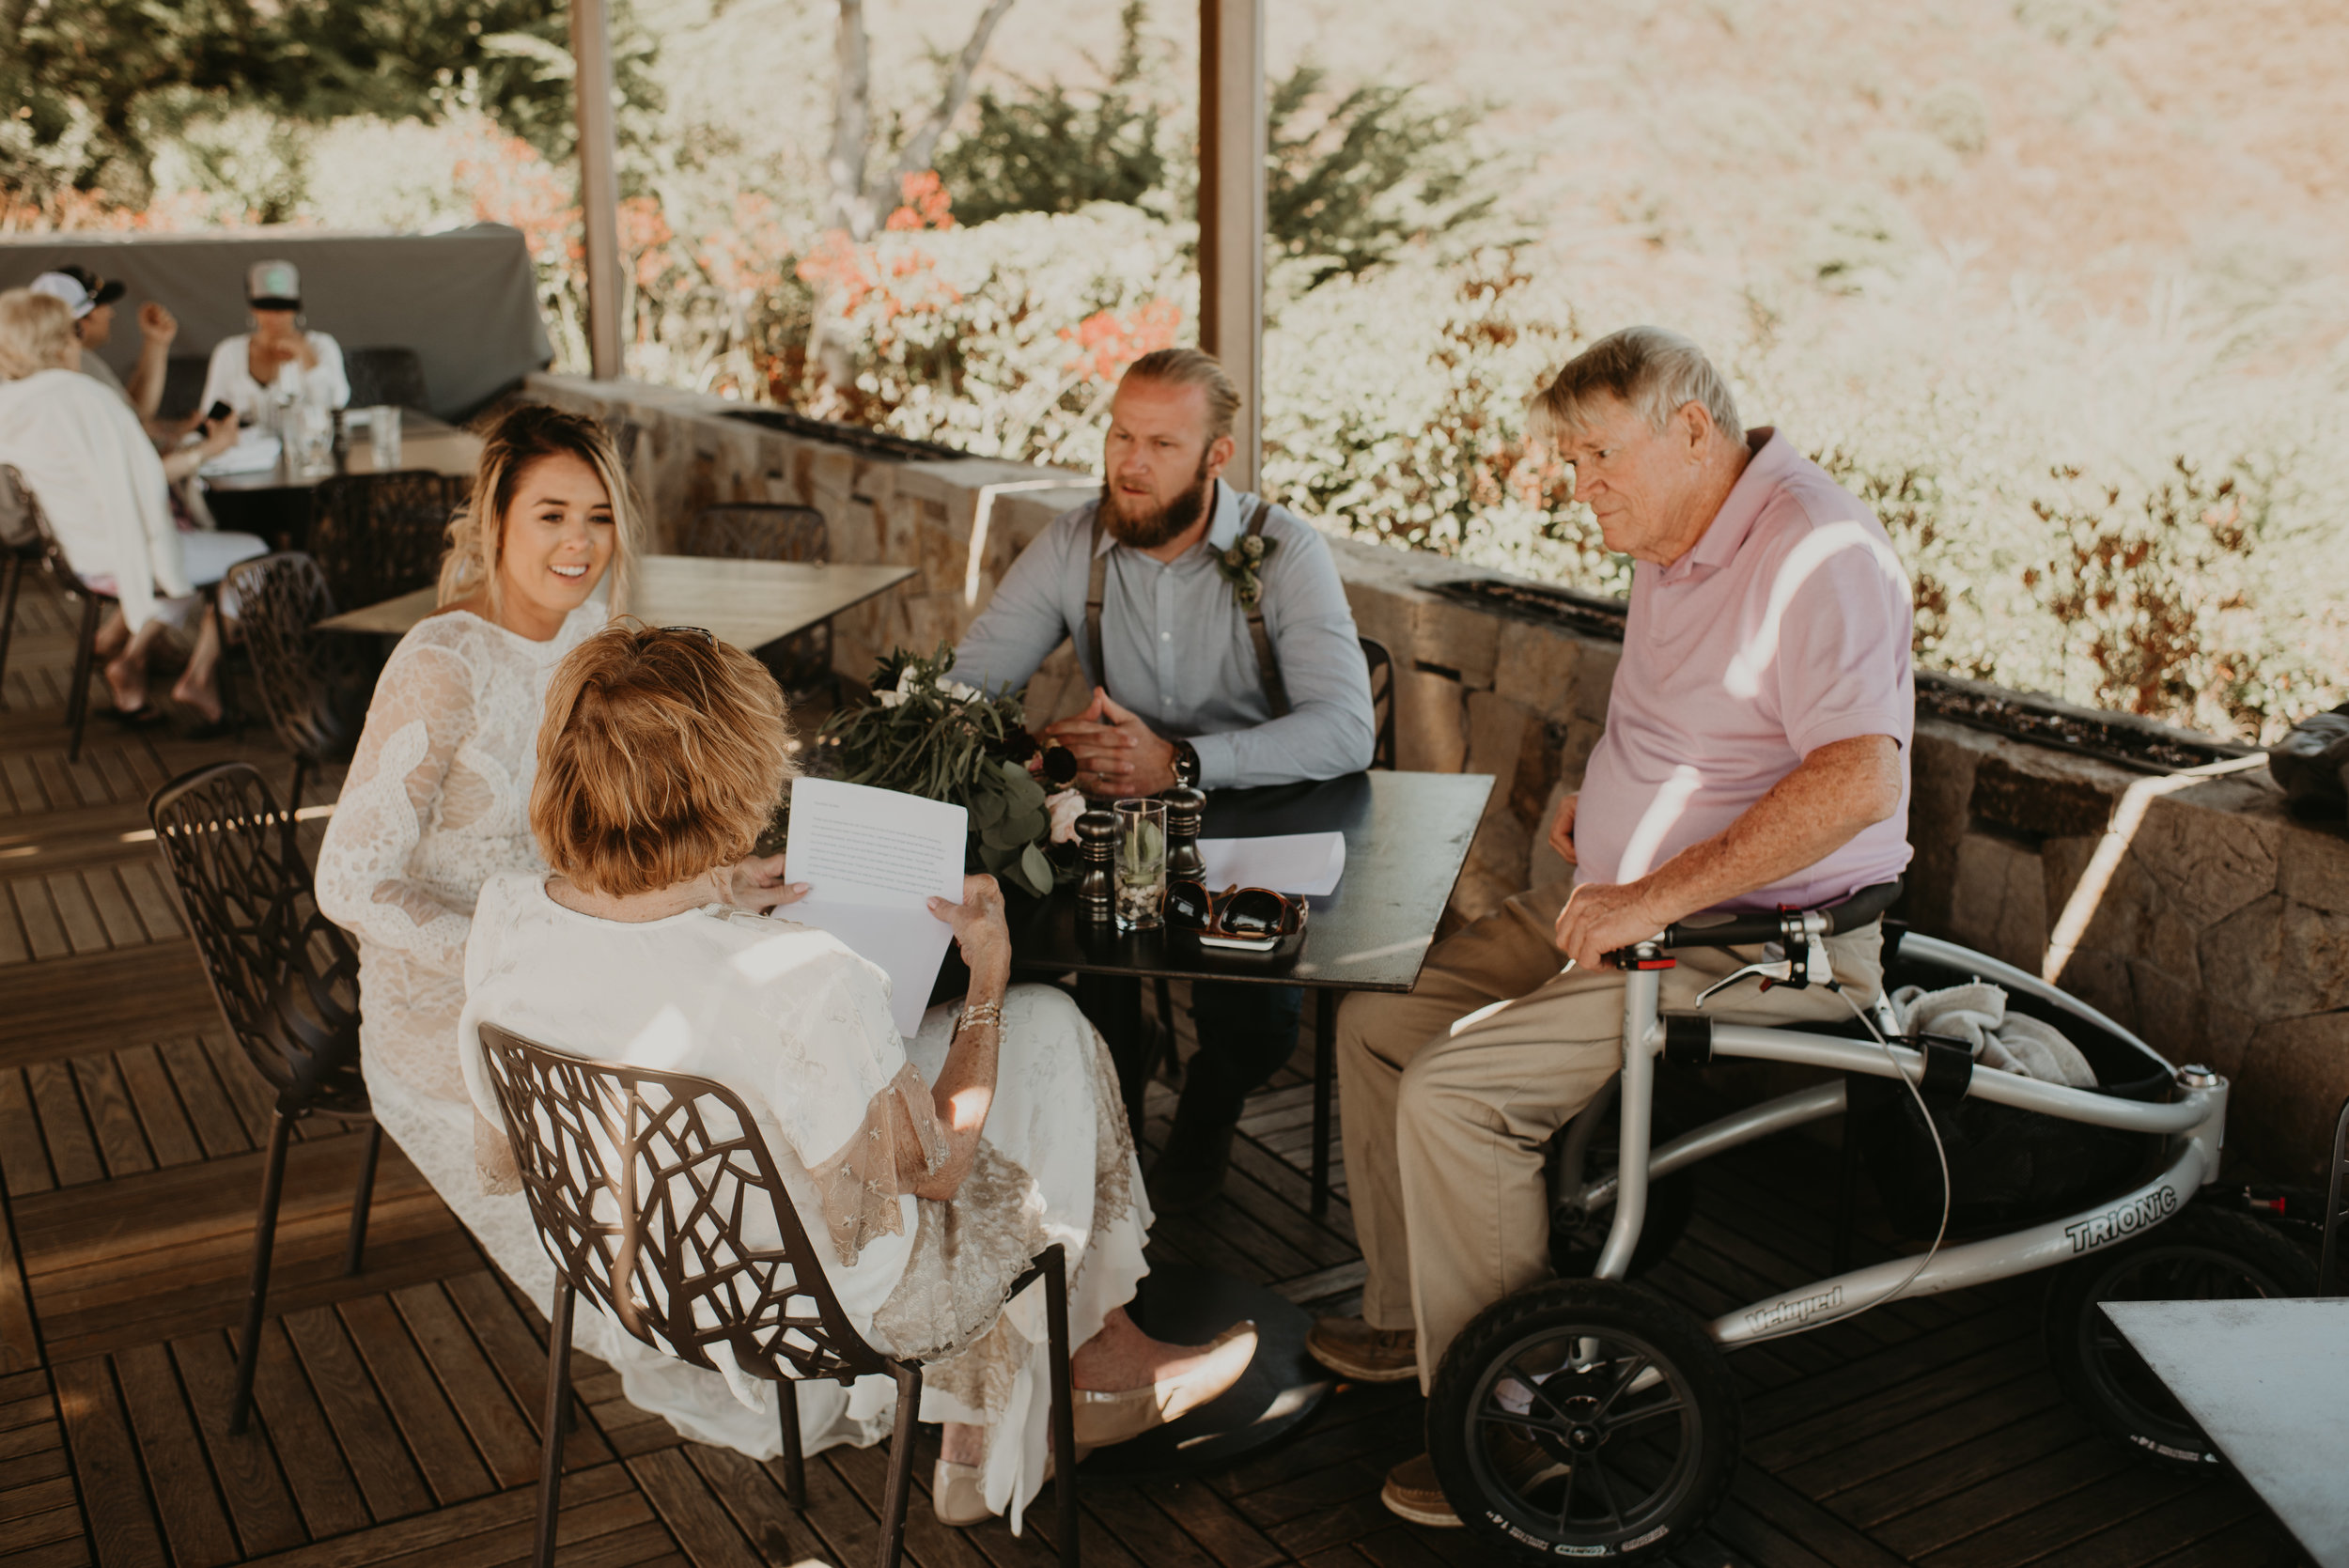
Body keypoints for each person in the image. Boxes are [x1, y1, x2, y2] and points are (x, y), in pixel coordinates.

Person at [1310, 327, 1915, 1528]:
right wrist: (1608, 794)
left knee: (1455, 1096)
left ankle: (1508, 1423)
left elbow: (1858, 778)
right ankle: (1411, 1318)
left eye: (1597, 456)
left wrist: (1656, 890)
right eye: (1572, 459)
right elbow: (1687, 728)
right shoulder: (1677, 535)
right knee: (1379, 1018)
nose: (1577, 485)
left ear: (1693, 430)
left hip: (1750, 940)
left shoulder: (1816, 547)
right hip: (1620, 911)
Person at [459, 625, 1258, 1529]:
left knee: (1000, 1054)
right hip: (814, 1300)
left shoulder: (508, 913)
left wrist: (712, 889)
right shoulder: (801, 980)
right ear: (730, 778)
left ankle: (1007, 1414)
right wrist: (990, 976)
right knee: (1044, 1029)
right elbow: (939, 1170)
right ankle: (1062, 1383)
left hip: (643, 1265)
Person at [952, 348, 1377, 1213]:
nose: (1129, 463)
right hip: (1124, 817)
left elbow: (1345, 726)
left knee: (1253, 1016)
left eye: (1159, 444)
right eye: (1118, 435)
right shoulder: (1076, 542)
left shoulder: (1284, 550)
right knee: (1062, 942)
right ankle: (1110, 1111)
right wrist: (1039, 744)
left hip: (1261, 813)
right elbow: (965, 689)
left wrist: (1183, 759)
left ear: (1217, 456)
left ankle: (1214, 1094)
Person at [0, 287, 262, 725]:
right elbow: (147, 477)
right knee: (252, 552)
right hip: (125, 557)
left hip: (78, 554)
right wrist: (211, 449)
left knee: (180, 562)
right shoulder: (83, 399)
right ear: (60, 339)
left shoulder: (13, 401)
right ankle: (197, 675)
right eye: (72, 330)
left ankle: (129, 658)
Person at [196, 258, 349, 424]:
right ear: (252, 308)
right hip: (246, 447)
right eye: (266, 307)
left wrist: (306, 356)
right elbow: (210, 412)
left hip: (307, 445)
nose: (275, 316)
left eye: (283, 307)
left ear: (297, 308)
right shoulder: (229, 351)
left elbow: (336, 402)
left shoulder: (321, 344)